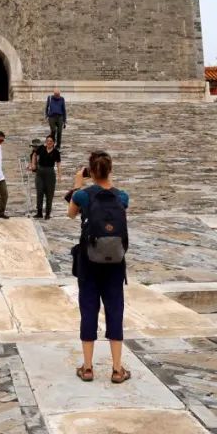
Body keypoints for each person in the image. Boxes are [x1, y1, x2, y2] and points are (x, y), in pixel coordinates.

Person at [67, 150, 130, 384]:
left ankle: (87, 368)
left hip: (88, 262)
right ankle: (117, 369)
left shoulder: (83, 196)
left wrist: (78, 183)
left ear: (90, 171)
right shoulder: (122, 197)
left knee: (88, 310)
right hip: (115, 263)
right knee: (115, 310)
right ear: (110, 170)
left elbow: (71, 214)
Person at [29, 134, 61, 219]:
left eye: (51, 141)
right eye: (47, 141)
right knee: (39, 192)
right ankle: (39, 212)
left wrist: (59, 175)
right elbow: (34, 154)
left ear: (53, 143)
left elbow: (58, 164)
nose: (49, 142)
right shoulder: (41, 148)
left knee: (49, 194)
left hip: (50, 174)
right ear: (46, 142)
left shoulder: (56, 152)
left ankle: (47, 213)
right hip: (40, 173)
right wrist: (33, 165)